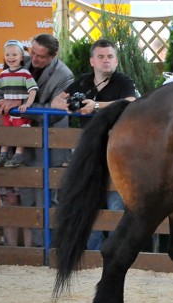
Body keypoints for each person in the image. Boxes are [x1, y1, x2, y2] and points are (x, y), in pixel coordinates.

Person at [51, 38, 138, 250]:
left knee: (116, 201)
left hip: (117, 152)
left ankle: (116, 250)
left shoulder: (123, 81)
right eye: (101, 57)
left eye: (110, 57)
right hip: (89, 152)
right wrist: (70, 107)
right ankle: (93, 252)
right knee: (88, 200)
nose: (106, 61)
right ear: (92, 61)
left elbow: (131, 101)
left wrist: (96, 105)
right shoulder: (83, 81)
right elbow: (55, 101)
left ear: (116, 61)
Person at [0, 33, 75, 247]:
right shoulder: (21, 62)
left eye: (41, 57)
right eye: (32, 53)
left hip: (47, 146)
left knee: (45, 203)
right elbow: (4, 88)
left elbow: (57, 113)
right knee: (24, 201)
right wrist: (1, 101)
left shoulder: (65, 75)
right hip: (21, 144)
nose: (34, 59)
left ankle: (48, 251)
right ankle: (29, 252)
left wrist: (20, 107)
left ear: (54, 55)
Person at [0, 40, 38, 168]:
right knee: (6, 132)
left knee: (20, 133)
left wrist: (27, 104)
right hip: (8, 112)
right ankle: (3, 155)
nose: (10, 58)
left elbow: (33, 90)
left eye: (14, 55)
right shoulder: (3, 74)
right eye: (7, 55)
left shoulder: (25, 73)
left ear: (21, 58)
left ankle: (18, 155)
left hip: (20, 112)